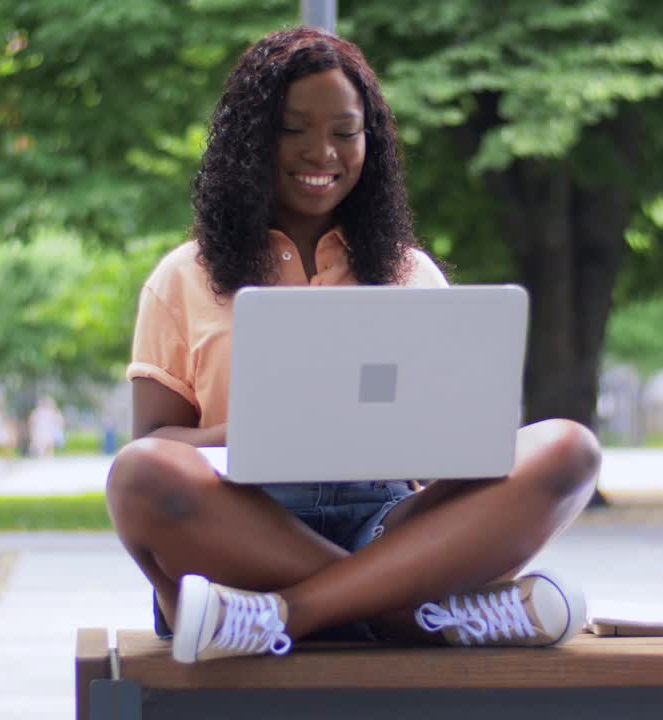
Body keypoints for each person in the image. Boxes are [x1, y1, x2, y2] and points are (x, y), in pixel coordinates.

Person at [106, 27, 602, 664]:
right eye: (294, 129)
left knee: (569, 448)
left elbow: (445, 463)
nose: (322, 152)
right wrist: (250, 430)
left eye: (345, 131)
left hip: (390, 523)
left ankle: (293, 613)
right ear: (251, 138)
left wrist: (459, 437)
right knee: (138, 477)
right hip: (242, 524)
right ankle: (411, 614)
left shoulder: (410, 273)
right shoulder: (184, 276)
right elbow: (154, 445)